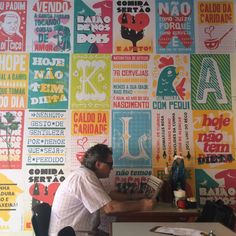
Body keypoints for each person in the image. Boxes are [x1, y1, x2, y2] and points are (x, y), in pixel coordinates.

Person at [48, 144, 155, 236]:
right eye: (110, 164)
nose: (112, 168)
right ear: (98, 164)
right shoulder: (84, 177)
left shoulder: (86, 174)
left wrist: (135, 197)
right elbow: (110, 208)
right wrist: (142, 205)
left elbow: (108, 196)